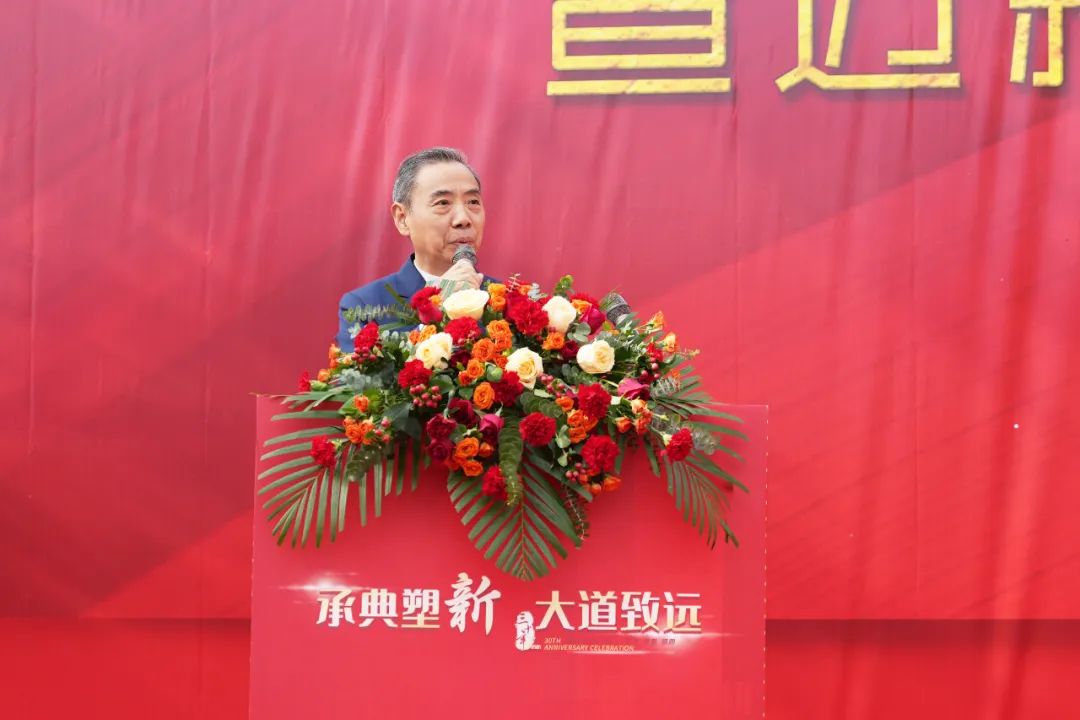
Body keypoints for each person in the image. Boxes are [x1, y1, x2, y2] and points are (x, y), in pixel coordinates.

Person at [336, 147, 495, 350]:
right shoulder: (364, 306)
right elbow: (362, 370)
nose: (463, 219)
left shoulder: (512, 301)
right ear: (402, 218)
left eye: (473, 202)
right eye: (443, 203)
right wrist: (440, 309)